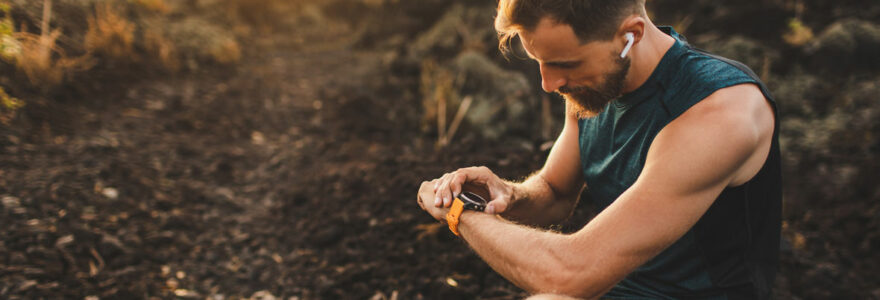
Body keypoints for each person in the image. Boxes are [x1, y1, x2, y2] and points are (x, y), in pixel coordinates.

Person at [415, 0, 782, 299]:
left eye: (564, 64)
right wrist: (507, 195)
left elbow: (572, 272)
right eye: (539, 62)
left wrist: (461, 213)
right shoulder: (592, 86)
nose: (548, 84)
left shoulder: (718, 113)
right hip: (615, 287)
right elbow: (555, 191)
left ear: (630, 35)